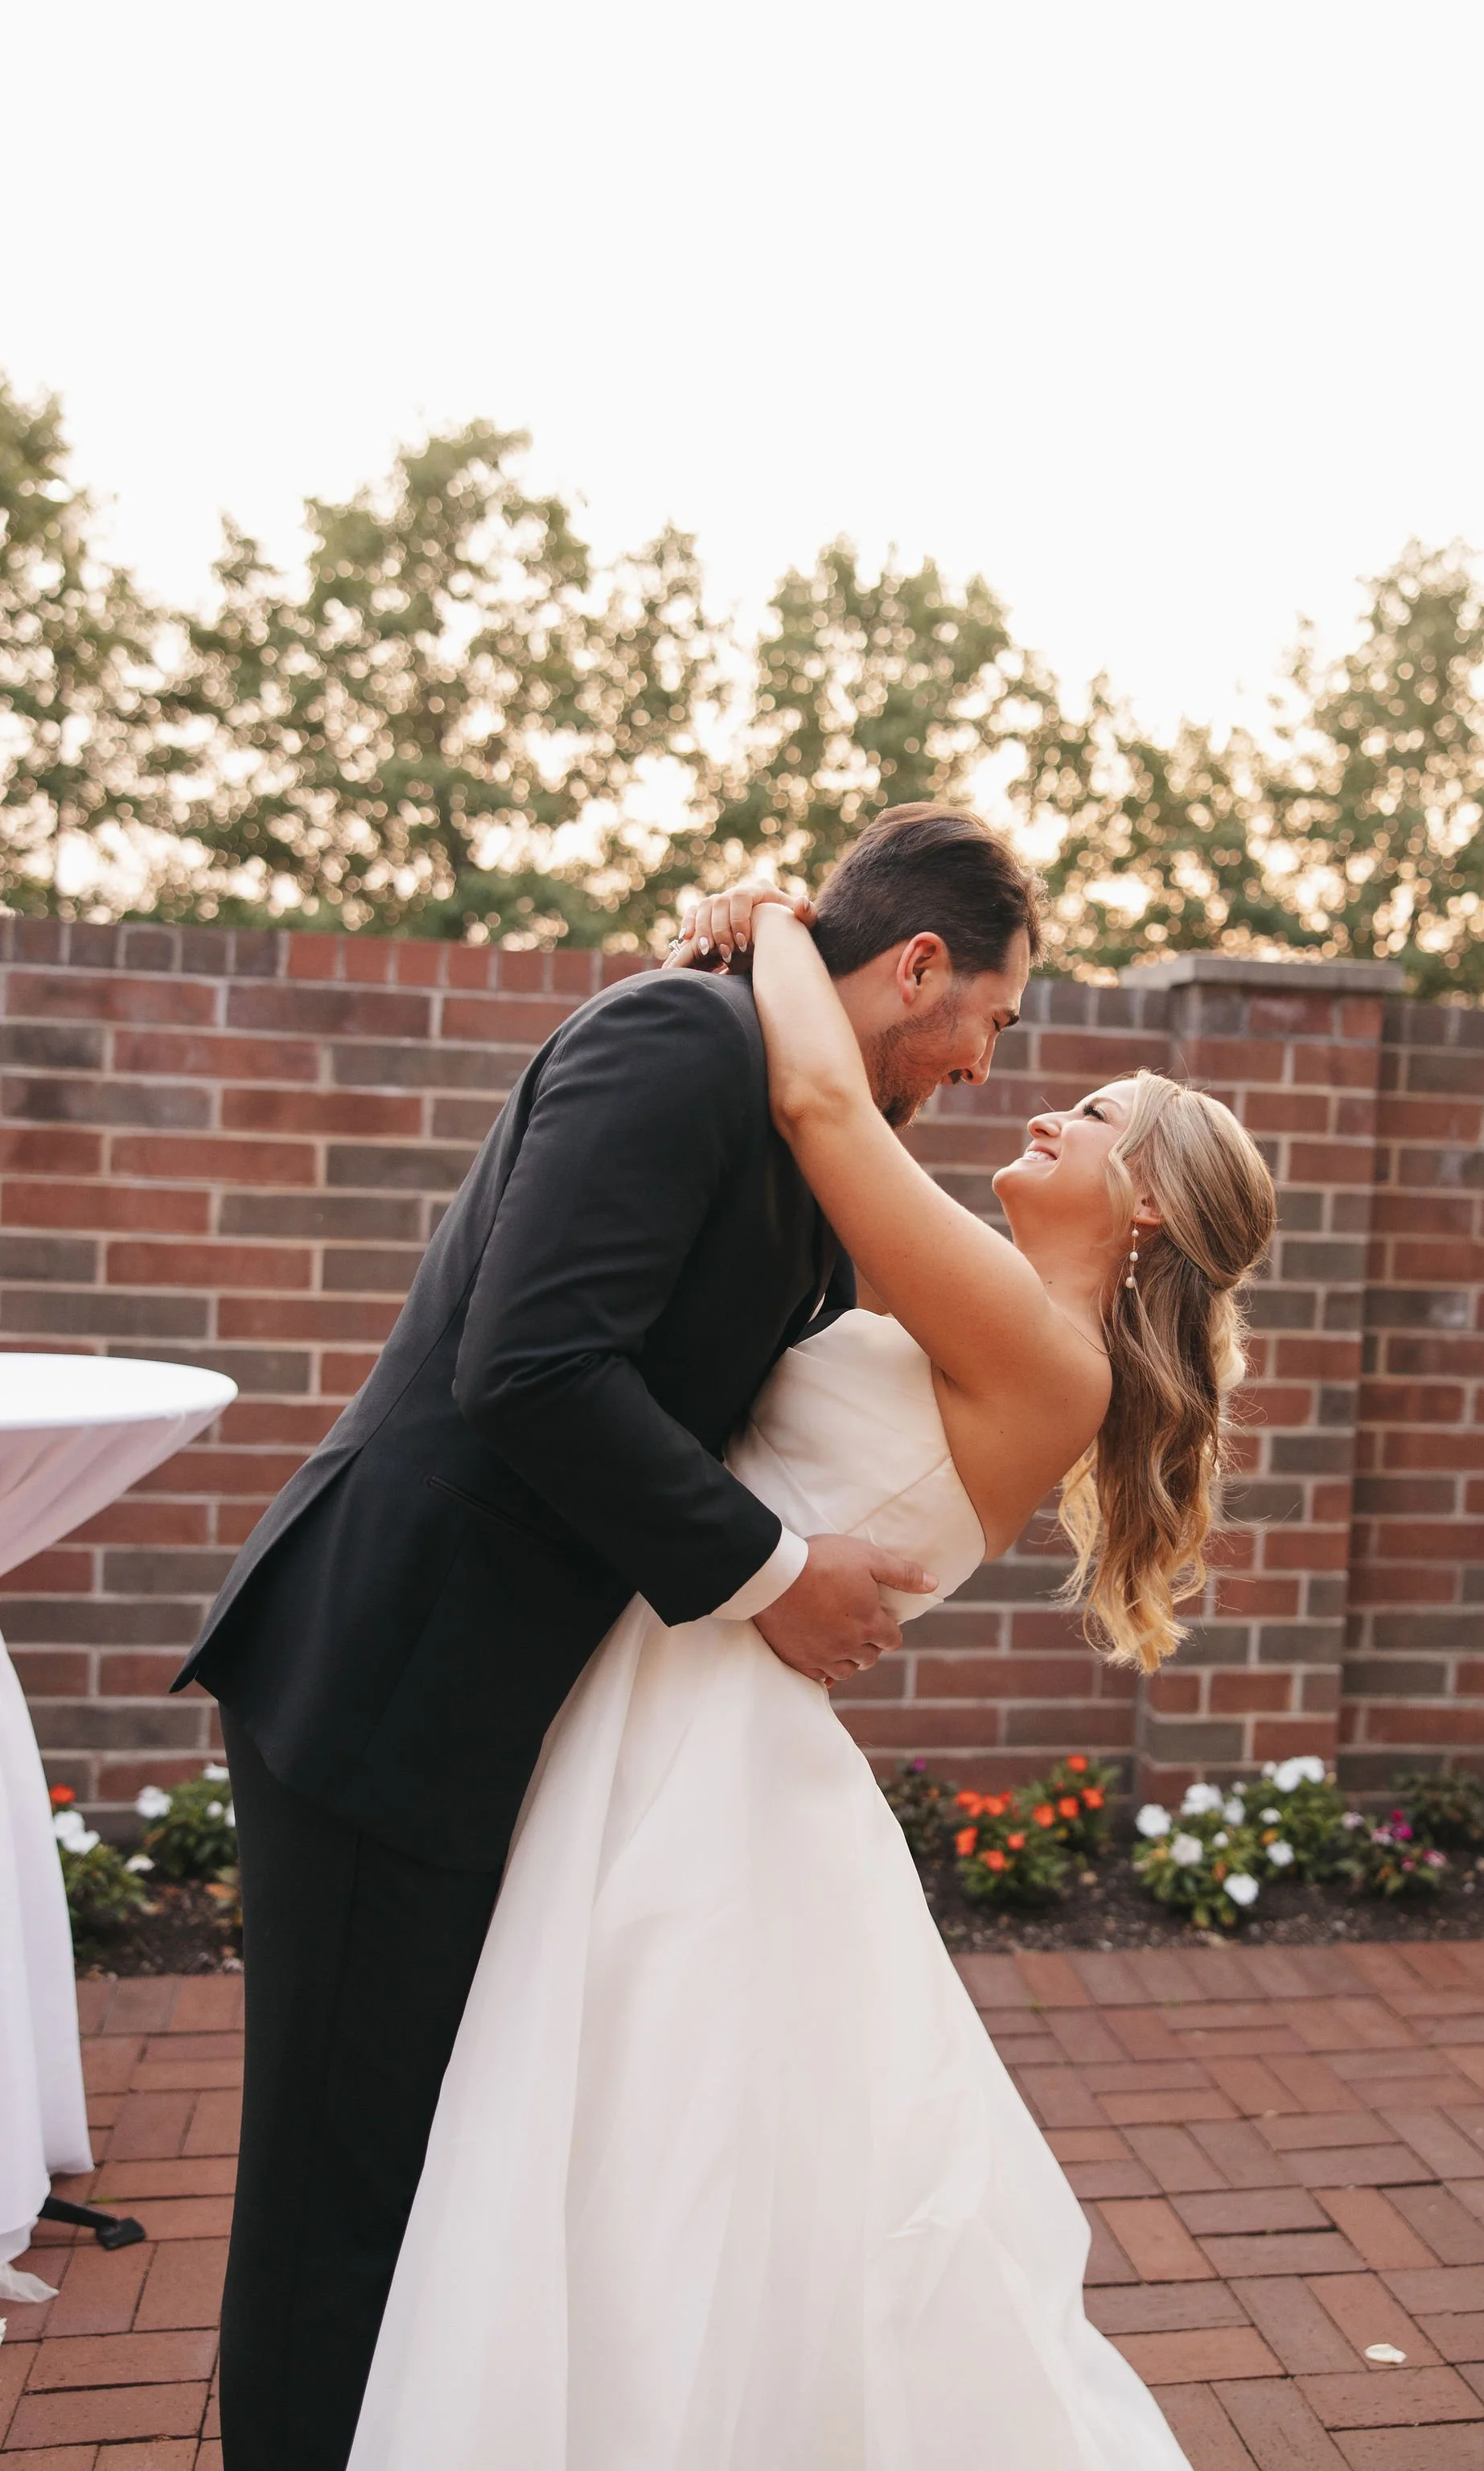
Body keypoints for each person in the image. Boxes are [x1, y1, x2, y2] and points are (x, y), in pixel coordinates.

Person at [346, 885, 1277, 2469]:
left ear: (1145, 1221)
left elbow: (815, 1097)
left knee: (645, 2150)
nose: (1044, 1102)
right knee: (655, 2155)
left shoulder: (1043, 1345)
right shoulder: (986, 1300)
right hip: (685, 1696)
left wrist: (771, 918)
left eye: (1100, 1116)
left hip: (700, 1736)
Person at [171, 804, 1037, 2471]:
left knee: (420, 2171)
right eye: (991, 1018)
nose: (988, 1065)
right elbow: (535, 1363)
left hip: (494, 1704)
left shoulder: (798, 1104)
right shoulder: (678, 1038)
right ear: (917, 964)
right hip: (388, 1676)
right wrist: (775, 1574)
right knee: (336, 2190)